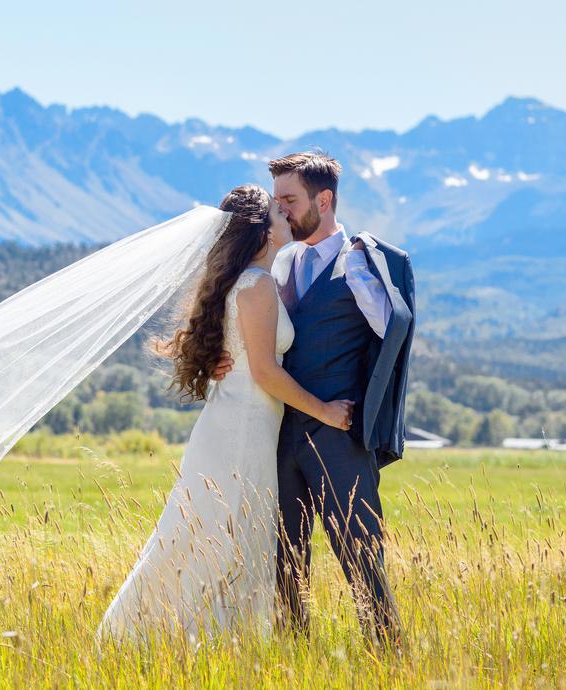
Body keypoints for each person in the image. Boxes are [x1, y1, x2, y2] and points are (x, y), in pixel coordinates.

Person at [97, 184, 353, 642]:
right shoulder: (256, 286)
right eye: (279, 212)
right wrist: (327, 412)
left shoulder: (247, 283)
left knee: (206, 536)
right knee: (225, 539)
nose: (287, 217)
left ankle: (180, 639)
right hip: (242, 432)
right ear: (260, 235)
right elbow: (266, 374)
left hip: (236, 426)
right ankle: (169, 638)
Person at [213, 152, 416, 648]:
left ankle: (389, 660)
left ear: (323, 201)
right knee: (286, 567)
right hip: (280, 436)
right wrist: (227, 357)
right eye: (276, 201)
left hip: (339, 437)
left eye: (289, 200)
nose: (279, 212)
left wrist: (370, 423)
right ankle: (295, 663)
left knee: (363, 561)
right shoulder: (281, 261)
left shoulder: (359, 264)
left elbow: (393, 335)